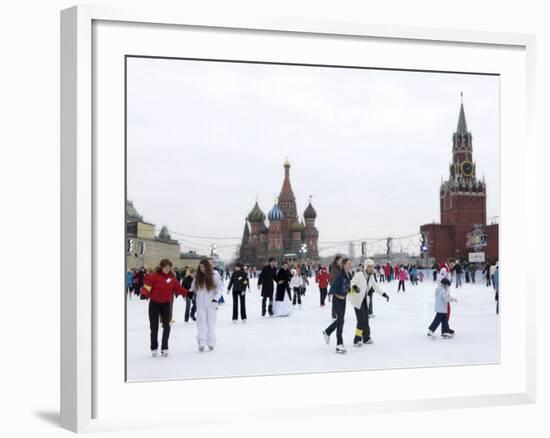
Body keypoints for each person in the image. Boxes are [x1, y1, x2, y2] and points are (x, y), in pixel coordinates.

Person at [140, 259, 188, 357]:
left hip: (166, 304)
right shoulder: (154, 276)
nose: (167, 269)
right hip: (154, 304)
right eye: (165, 267)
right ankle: (154, 347)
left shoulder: (172, 278)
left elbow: (177, 288)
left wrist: (187, 293)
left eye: (169, 268)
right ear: (161, 267)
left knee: (167, 326)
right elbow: (147, 286)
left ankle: (164, 347)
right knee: (154, 327)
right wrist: (144, 293)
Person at [349, 259, 390, 347]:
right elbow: (352, 283)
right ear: (366, 267)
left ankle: (366, 337)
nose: (371, 269)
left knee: (366, 320)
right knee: (361, 321)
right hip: (357, 301)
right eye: (369, 267)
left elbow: (375, 286)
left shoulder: (370, 277)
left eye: (372, 267)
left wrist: (384, 294)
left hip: (364, 301)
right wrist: (355, 288)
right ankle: (357, 339)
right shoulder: (359, 275)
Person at [192, 259, 224, 352]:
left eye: (203, 267)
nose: (202, 269)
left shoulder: (215, 275)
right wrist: (190, 292)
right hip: (200, 303)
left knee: (211, 323)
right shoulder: (197, 276)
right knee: (201, 322)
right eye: (200, 267)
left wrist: (216, 299)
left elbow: (220, 288)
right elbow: (193, 287)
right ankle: (201, 341)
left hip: (211, 303)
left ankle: (211, 341)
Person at [322, 258, 353, 354]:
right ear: (344, 265)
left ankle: (327, 331)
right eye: (348, 264)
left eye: (350, 264)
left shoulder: (348, 275)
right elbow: (334, 285)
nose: (350, 265)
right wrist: (330, 294)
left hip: (343, 300)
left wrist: (354, 292)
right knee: (340, 320)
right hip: (337, 300)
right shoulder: (341, 275)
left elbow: (348, 287)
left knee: (341, 320)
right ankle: (339, 344)